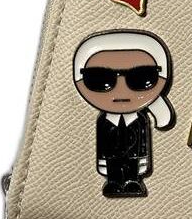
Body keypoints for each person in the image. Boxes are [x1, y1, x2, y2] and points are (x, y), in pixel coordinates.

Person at [73, 30, 174, 197]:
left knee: (132, 174)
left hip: (134, 159)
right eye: (100, 78)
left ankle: (132, 182)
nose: (121, 89)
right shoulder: (104, 122)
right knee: (113, 173)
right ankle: (113, 183)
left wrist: (142, 163)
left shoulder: (140, 120)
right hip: (111, 160)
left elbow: (142, 144)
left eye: (141, 77)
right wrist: (102, 164)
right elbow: (102, 144)